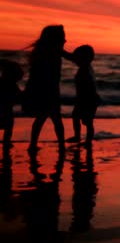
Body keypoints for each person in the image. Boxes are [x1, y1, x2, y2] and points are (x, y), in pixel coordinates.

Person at [22, 24, 69, 152]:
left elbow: (34, 77)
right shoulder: (54, 51)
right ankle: (61, 146)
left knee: (44, 118)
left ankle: (33, 144)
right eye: (62, 38)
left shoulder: (42, 51)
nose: (65, 41)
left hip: (43, 90)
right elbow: (73, 58)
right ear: (54, 39)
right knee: (55, 119)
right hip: (49, 91)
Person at [65, 45, 100, 146]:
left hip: (88, 99)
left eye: (77, 58)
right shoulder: (85, 66)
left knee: (87, 122)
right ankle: (78, 136)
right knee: (76, 117)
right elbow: (71, 57)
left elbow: (88, 88)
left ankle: (87, 141)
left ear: (83, 58)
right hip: (84, 99)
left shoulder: (85, 69)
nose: (74, 60)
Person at [0, 61, 23, 146]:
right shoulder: (11, 84)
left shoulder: (3, 81)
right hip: (5, 110)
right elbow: (20, 96)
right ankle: (6, 142)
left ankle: (6, 142)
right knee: (9, 126)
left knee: (8, 125)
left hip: (5, 109)